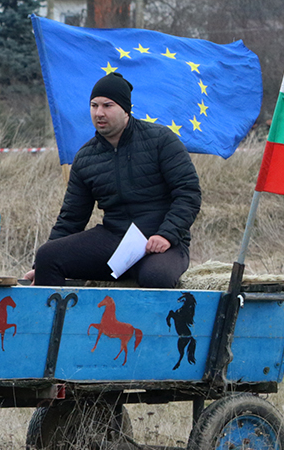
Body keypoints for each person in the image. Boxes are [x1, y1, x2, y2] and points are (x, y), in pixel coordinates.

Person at [24, 72, 201, 288]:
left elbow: (188, 193)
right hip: (114, 239)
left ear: (126, 109)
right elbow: (71, 218)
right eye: (94, 105)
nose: (99, 113)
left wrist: (167, 234)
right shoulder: (85, 157)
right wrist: (38, 266)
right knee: (48, 257)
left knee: (156, 277)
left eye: (108, 105)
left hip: (163, 242)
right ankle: (62, 321)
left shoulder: (161, 140)